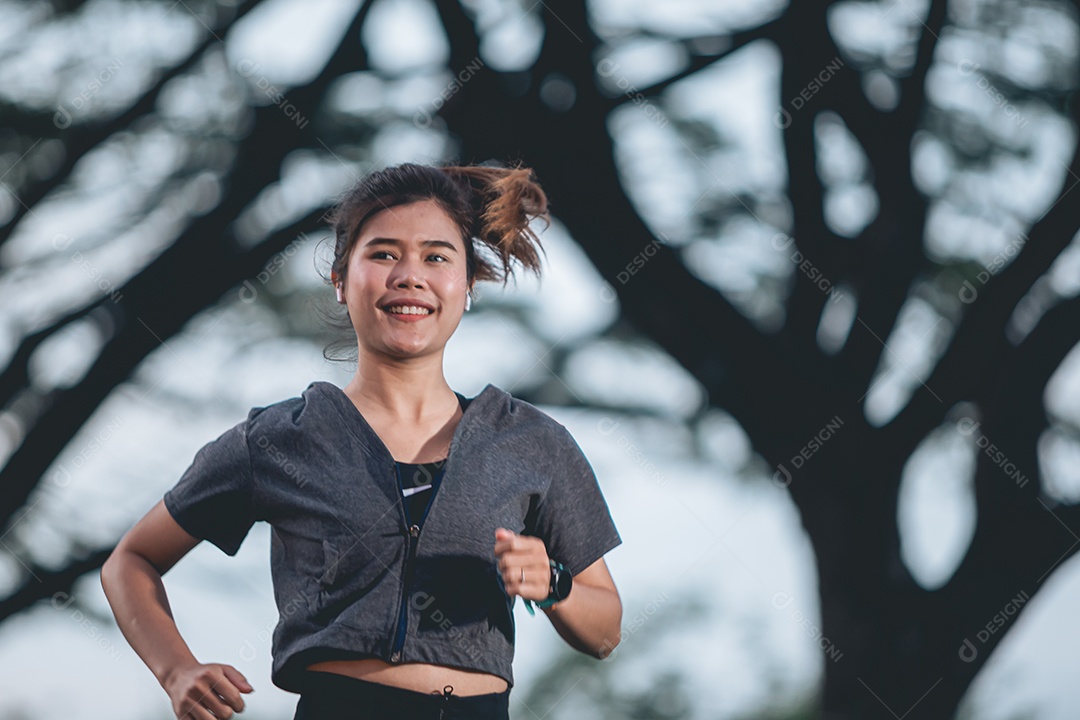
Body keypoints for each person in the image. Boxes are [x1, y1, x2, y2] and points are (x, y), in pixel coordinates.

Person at [101, 161, 624, 720]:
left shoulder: (531, 442)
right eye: (383, 253)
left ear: (467, 284)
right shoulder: (278, 439)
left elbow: (606, 629)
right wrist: (177, 670)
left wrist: (553, 584)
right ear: (340, 281)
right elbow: (130, 561)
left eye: (437, 256)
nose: (409, 275)